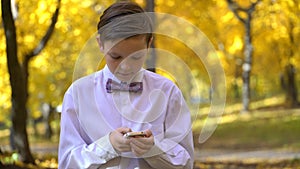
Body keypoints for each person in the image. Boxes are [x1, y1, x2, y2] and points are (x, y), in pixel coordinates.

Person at [58, 2, 194, 169]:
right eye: (115, 56)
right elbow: (66, 164)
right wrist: (106, 146)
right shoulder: (77, 94)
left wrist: (154, 150)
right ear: (100, 43)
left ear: (149, 43)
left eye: (136, 57)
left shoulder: (168, 92)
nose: (125, 66)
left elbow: (186, 161)